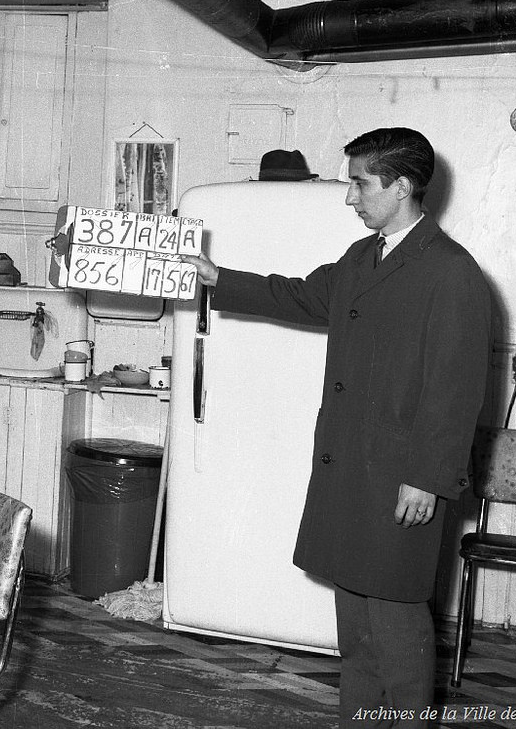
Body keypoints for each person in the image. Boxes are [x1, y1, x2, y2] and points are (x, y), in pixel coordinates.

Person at [183, 127, 491, 727]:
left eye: (359, 183)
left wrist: (426, 480)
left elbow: (456, 393)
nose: (348, 197)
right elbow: (301, 297)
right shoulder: (362, 257)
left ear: (401, 187)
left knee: (398, 622)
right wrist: (218, 278)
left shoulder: (451, 273)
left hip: (403, 479)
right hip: (350, 467)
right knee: (356, 627)